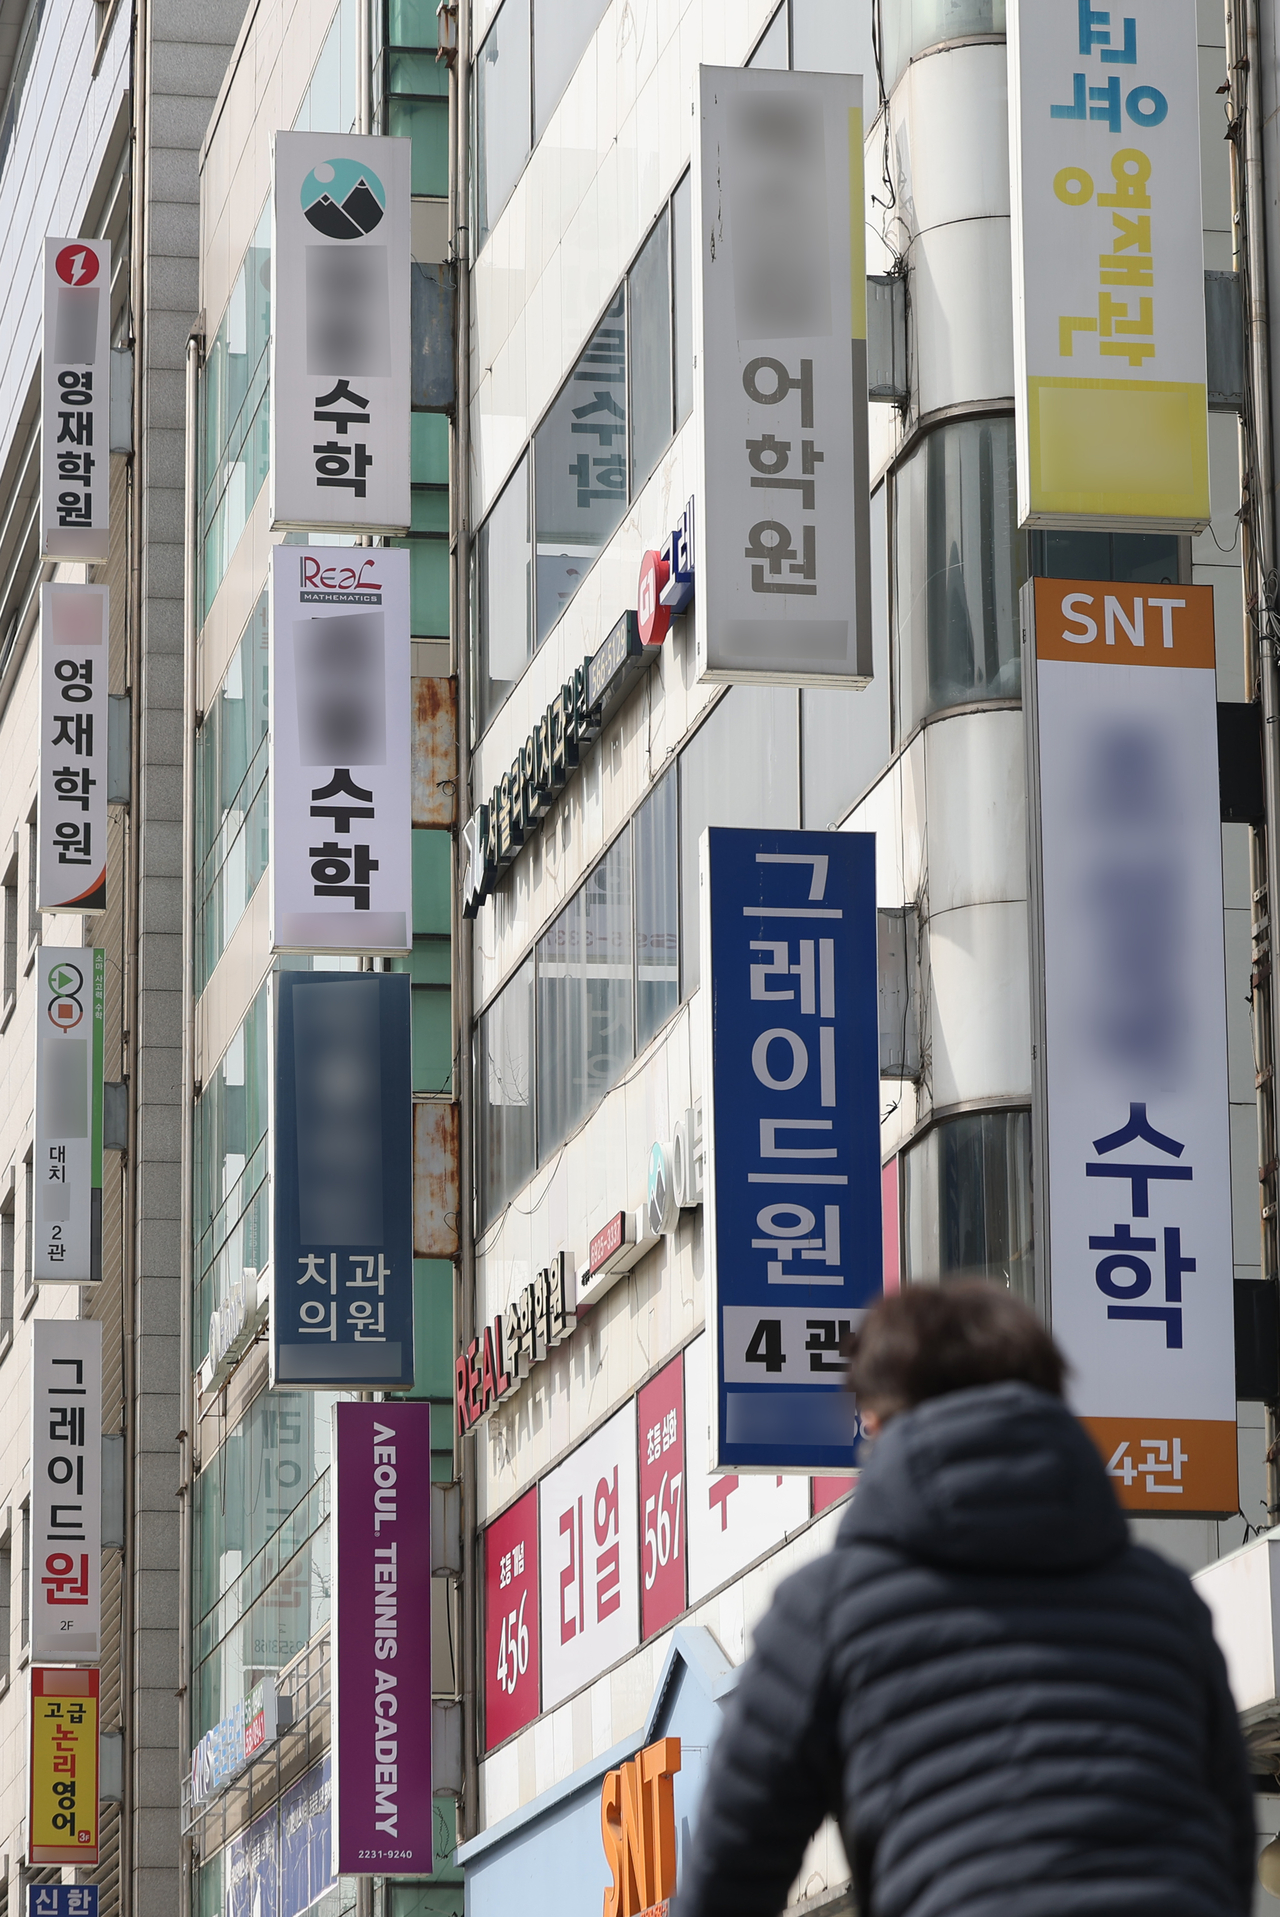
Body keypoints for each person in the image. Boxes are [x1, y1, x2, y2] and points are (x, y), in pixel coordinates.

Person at [675, 1282, 1255, 1917]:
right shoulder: (1162, 1599)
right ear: (1046, 1395)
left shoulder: (826, 1610)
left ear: (873, 1416)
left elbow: (730, 1866)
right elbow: (1228, 1831)